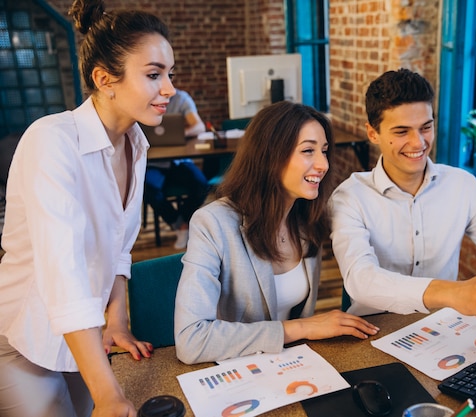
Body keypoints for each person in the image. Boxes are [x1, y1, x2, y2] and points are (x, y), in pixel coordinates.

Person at [0, 1, 174, 416]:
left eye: (170, 74)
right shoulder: (51, 141)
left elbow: (116, 248)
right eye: (153, 75)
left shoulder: (136, 144)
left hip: (84, 337)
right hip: (24, 336)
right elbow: (64, 271)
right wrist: (108, 393)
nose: (168, 88)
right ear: (104, 79)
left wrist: (116, 321)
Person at [174, 101, 379, 364]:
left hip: (291, 364)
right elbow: (191, 340)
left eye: (324, 151)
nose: (323, 164)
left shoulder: (306, 220)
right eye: (308, 151)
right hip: (237, 369)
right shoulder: (212, 223)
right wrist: (301, 329)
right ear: (270, 156)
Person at [329, 69, 476, 326]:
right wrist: (452, 292)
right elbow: (361, 280)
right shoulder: (350, 197)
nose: (418, 143)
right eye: (402, 132)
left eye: (425, 127)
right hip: (374, 329)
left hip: (446, 327)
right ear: (373, 133)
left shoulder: (462, 185)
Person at [144, 88, 209, 249]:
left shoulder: (181, 99)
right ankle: (176, 223)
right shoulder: (143, 100)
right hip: (153, 163)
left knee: (202, 185)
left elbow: (199, 127)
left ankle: (185, 221)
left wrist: (180, 134)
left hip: (179, 161)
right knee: (148, 187)